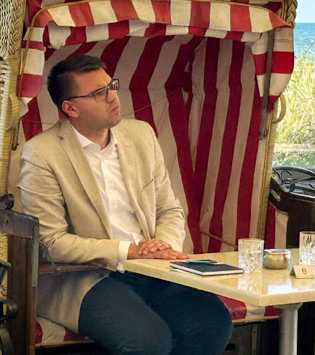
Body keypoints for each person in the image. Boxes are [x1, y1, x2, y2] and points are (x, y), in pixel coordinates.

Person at [19, 55, 233, 355]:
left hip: (153, 268)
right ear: (70, 108)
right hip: (86, 277)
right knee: (148, 341)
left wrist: (162, 245)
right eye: (98, 93)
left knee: (212, 323)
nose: (112, 97)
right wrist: (128, 251)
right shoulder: (41, 153)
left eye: (112, 86)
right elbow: (50, 242)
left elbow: (169, 210)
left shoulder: (141, 135)